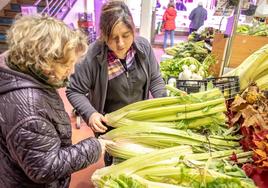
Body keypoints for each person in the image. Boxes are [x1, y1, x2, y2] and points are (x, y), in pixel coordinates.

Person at [0, 14, 112, 187]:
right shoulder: (29, 108)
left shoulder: (24, 74)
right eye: (66, 65)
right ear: (44, 62)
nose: (72, 70)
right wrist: (94, 148)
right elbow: (45, 167)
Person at [66, 1, 167, 166]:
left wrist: (164, 100)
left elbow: (155, 78)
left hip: (139, 121)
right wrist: (90, 114)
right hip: (111, 127)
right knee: (116, 165)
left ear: (133, 30)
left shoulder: (143, 48)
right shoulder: (92, 57)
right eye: (113, 38)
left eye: (126, 35)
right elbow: (74, 90)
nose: (120, 44)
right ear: (104, 35)